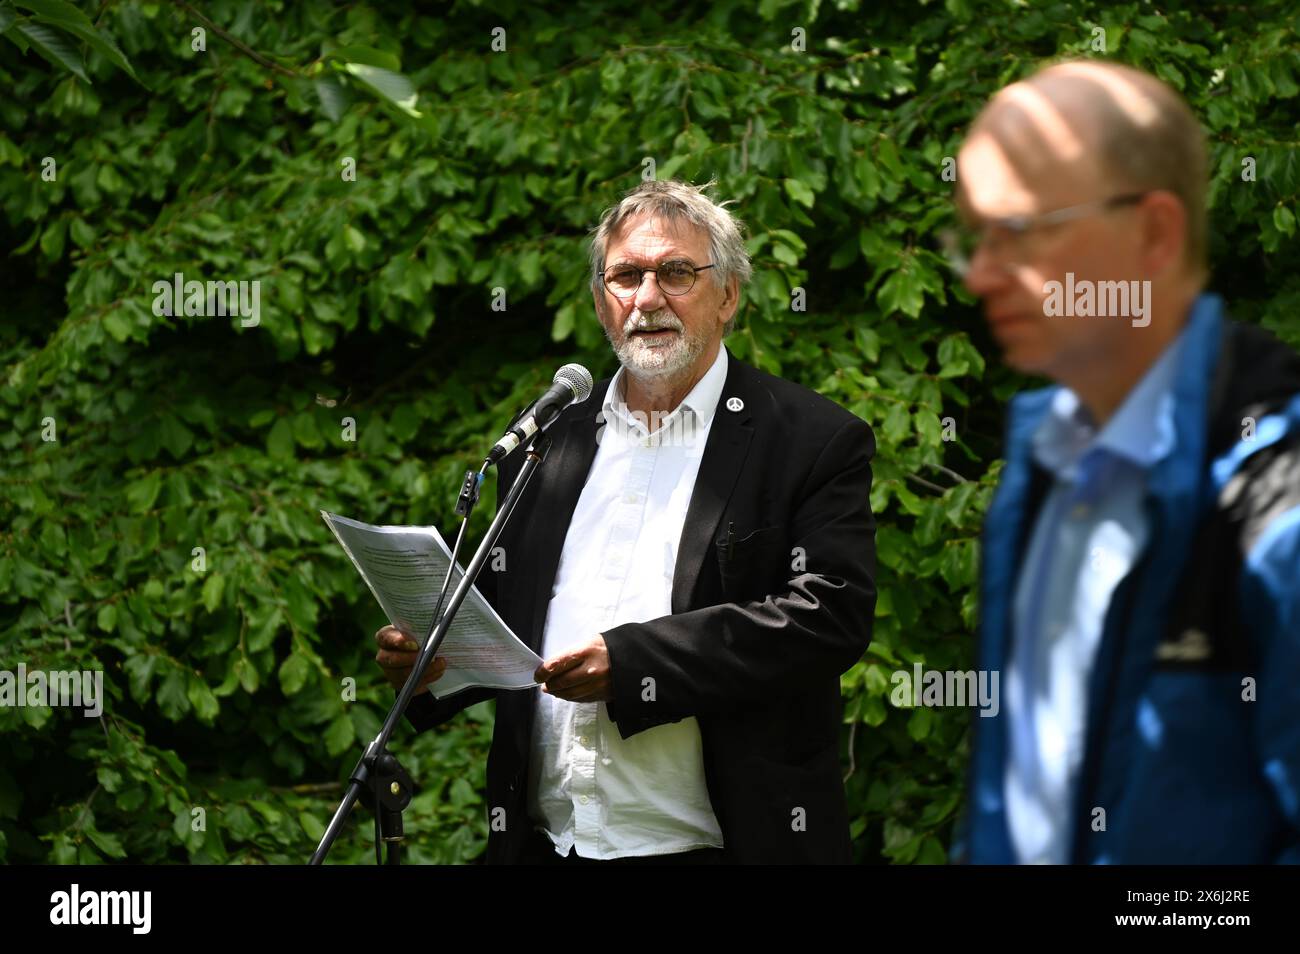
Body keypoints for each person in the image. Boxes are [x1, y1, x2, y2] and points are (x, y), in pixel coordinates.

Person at [375, 179, 877, 864]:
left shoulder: (810, 440)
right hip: (547, 847)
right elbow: (514, 619)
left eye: (675, 273)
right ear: (600, 302)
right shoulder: (552, 438)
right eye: (626, 276)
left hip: (720, 846)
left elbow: (830, 615)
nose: (647, 299)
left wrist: (635, 663)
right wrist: (438, 659)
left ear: (727, 295)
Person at [948, 60, 1300, 863]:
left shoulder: (1274, 496)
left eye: (1022, 232)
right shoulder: (1045, 458)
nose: (980, 273)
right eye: (975, 235)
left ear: (1155, 234)